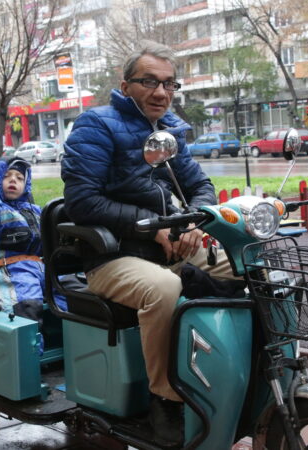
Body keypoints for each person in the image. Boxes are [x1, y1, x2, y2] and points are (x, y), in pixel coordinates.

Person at [61, 41, 220, 446]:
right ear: (126, 85)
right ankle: (165, 401)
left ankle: (246, 368)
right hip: (112, 255)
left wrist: (190, 222)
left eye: (169, 84)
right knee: (165, 289)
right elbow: (82, 201)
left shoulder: (170, 130)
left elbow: (200, 184)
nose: (161, 92)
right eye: (149, 81)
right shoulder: (95, 126)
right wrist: (153, 228)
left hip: (169, 245)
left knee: (245, 264)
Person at [0, 157, 66, 322]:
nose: (13, 179)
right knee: (26, 309)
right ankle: (32, 348)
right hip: (12, 269)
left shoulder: (34, 210)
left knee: (74, 294)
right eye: (7, 176)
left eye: (20, 178)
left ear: (26, 184)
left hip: (43, 266)